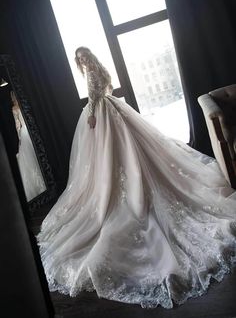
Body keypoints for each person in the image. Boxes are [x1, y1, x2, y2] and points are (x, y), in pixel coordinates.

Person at [37, 47, 236, 309]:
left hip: (104, 113)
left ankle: (130, 186)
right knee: (116, 157)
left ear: (88, 57)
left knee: (121, 156)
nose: (82, 61)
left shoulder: (92, 73)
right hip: (114, 110)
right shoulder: (99, 69)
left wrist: (93, 114)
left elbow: (96, 95)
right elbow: (105, 87)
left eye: (84, 57)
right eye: (80, 59)